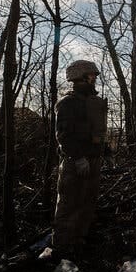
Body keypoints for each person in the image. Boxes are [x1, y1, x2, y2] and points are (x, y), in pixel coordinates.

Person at [52, 60, 108, 257]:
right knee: (69, 207)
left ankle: (78, 247)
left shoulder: (91, 102)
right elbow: (63, 136)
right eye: (92, 75)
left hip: (93, 161)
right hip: (74, 164)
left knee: (87, 204)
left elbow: (95, 132)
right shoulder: (68, 103)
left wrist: (102, 151)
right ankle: (61, 251)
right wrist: (77, 158)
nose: (94, 78)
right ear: (81, 77)